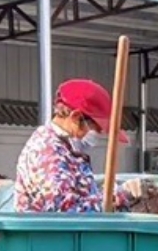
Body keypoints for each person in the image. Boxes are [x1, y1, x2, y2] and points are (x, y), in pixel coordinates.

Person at [14, 79, 143, 213]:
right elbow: (66, 210)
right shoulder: (47, 153)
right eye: (96, 128)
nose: (98, 134)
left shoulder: (66, 149)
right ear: (76, 117)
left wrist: (110, 193)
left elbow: (81, 196)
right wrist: (117, 197)